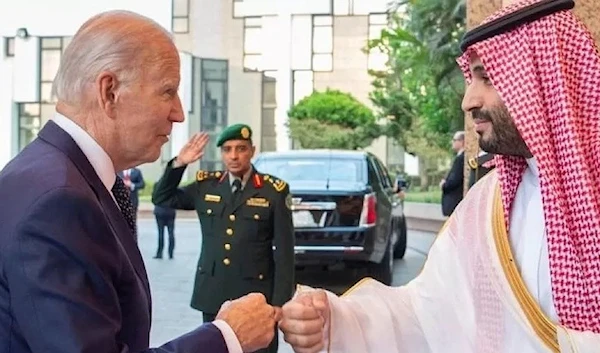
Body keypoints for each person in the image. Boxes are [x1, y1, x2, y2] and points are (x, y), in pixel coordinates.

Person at [279, 0, 600, 352]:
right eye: (471, 78)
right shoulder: (488, 202)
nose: (469, 100)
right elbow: (427, 313)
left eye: (487, 78)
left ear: (547, 78)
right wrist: (335, 322)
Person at [0, 10, 280, 353]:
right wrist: (226, 337)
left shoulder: (49, 174)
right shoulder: (58, 200)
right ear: (110, 91)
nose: (178, 112)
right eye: (168, 91)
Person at [152, 123, 295, 353]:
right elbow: (162, 197)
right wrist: (180, 163)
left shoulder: (273, 191)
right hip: (214, 292)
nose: (234, 156)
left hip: (256, 295)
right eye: (227, 149)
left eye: (241, 148)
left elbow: (285, 251)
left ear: (252, 151)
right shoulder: (206, 186)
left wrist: (279, 301)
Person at [440, 131, 465, 216]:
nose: (452, 142)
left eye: (454, 140)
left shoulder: (461, 159)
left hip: (455, 202)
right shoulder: (460, 157)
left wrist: (444, 185)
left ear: (462, 142)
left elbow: (455, 180)